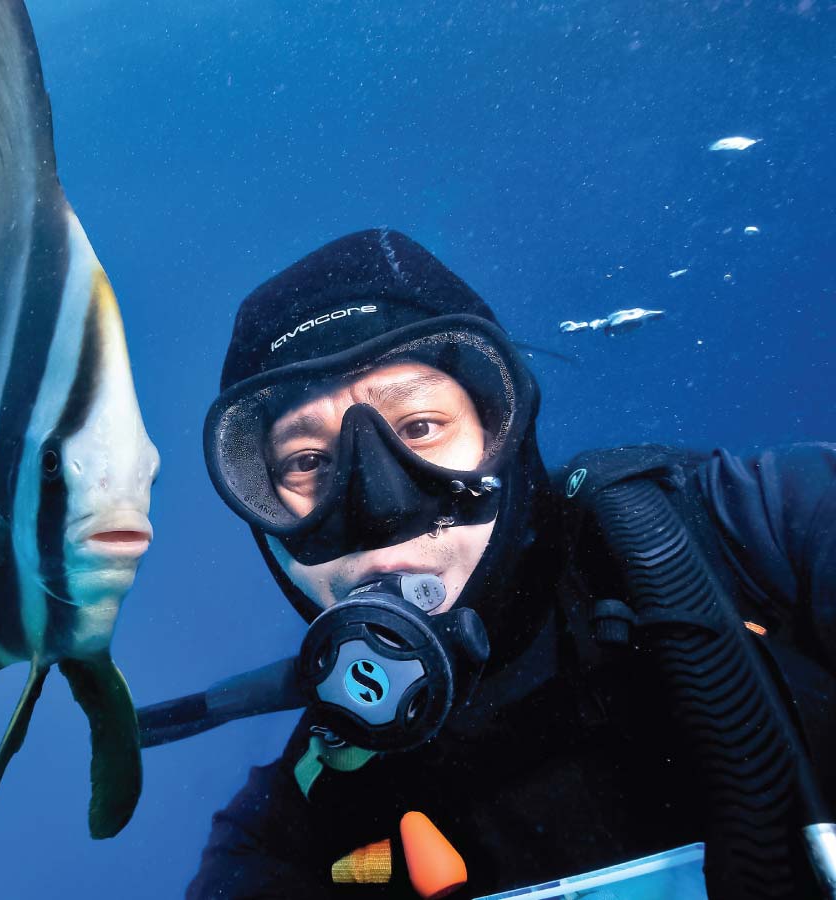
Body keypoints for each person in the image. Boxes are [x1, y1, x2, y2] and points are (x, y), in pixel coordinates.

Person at [181, 229, 836, 899]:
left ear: (507, 435)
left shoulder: (767, 537)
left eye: (419, 427)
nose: (377, 507)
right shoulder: (296, 830)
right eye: (308, 463)